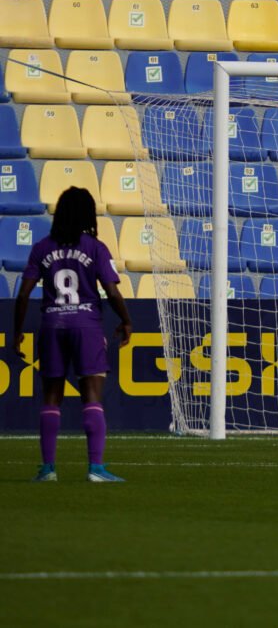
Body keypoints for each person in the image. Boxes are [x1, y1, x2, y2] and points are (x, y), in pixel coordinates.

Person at [12, 187, 132, 482]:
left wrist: (16, 332)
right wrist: (126, 320)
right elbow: (112, 289)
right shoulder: (95, 247)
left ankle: (48, 469)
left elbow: (24, 294)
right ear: (87, 214)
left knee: (52, 397)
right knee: (91, 395)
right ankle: (96, 469)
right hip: (86, 325)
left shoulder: (42, 247)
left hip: (52, 325)